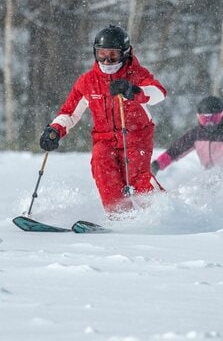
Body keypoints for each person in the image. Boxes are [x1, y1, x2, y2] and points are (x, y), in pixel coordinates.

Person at [39, 25, 166, 212]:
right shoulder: (88, 81)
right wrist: (55, 130)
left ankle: (163, 210)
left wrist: (134, 91)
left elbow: (159, 93)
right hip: (104, 139)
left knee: (137, 178)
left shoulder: (137, 75)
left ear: (124, 54)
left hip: (136, 138)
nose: (107, 61)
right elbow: (69, 112)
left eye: (113, 55)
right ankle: (118, 214)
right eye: (102, 54)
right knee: (101, 164)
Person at [150, 96, 223, 177]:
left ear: (221, 116)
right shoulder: (197, 134)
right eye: (205, 120)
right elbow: (176, 150)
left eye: (213, 119)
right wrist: (157, 164)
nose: (209, 124)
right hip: (209, 176)